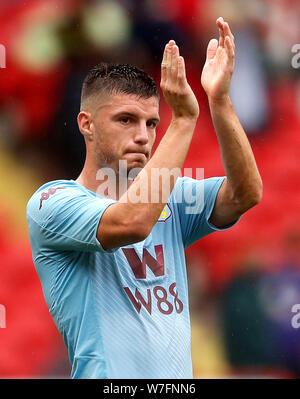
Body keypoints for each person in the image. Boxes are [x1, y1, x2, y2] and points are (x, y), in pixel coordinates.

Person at [26, 17, 262, 379]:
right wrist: (182, 120)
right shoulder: (51, 203)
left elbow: (245, 193)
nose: (143, 136)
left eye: (151, 123)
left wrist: (219, 100)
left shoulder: (171, 195)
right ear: (86, 123)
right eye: (125, 120)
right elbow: (132, 222)